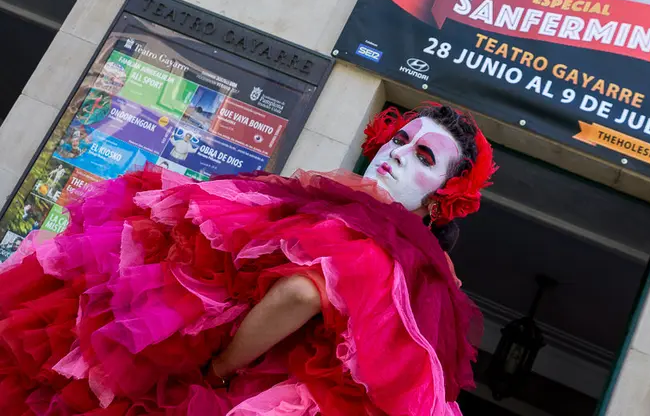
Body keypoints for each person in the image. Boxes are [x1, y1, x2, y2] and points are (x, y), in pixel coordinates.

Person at [0, 103, 497, 415]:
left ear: (440, 200)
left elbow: (300, 292)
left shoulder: (377, 241)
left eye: (424, 158)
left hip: (223, 386)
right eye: (401, 139)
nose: (399, 154)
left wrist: (218, 371)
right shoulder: (365, 231)